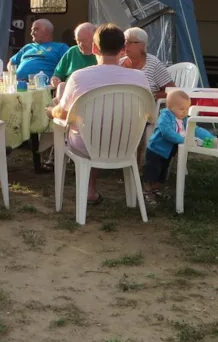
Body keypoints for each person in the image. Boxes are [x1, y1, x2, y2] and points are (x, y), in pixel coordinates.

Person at [48, 23, 150, 205]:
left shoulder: (79, 77)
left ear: (94, 48)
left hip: (88, 144)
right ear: (124, 49)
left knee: (87, 131)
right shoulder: (139, 78)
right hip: (126, 143)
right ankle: (95, 191)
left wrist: (51, 110)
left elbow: (63, 114)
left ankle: (88, 190)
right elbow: (148, 115)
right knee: (98, 130)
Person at [144, 89, 218, 204]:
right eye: (181, 109)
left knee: (162, 172)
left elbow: (195, 129)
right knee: (152, 171)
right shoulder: (165, 117)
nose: (185, 112)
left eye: (187, 109)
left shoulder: (184, 119)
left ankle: (156, 189)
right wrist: (184, 140)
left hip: (167, 152)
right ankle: (147, 192)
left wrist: (210, 138)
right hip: (156, 150)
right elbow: (167, 132)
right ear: (170, 107)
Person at [120, 27, 173, 99]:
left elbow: (172, 90)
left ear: (142, 45)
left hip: (148, 108)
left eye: (129, 42)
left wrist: (149, 96)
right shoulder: (119, 64)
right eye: (124, 42)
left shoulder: (154, 64)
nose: (125, 45)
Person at [51, 22, 97, 87]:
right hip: (70, 91)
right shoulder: (72, 51)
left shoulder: (103, 54)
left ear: (95, 39)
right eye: (78, 41)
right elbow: (57, 74)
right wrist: (55, 80)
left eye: (84, 41)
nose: (81, 44)